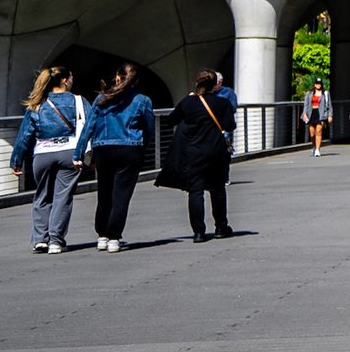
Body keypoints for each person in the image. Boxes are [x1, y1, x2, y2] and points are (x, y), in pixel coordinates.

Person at [12, 64, 91, 253]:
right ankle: (56, 240)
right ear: (64, 80)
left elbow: (24, 135)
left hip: (42, 153)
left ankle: (40, 239)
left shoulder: (38, 103)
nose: (72, 81)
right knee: (62, 197)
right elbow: (90, 126)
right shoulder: (79, 101)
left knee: (42, 195)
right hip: (69, 152)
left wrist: (16, 160)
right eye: (71, 78)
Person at [85, 63, 155, 252]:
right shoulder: (143, 100)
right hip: (130, 149)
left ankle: (102, 235)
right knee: (121, 196)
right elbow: (149, 128)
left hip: (104, 149)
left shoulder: (102, 98)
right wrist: (143, 147)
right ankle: (114, 237)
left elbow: (89, 127)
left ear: (117, 78)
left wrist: (79, 153)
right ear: (136, 81)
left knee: (104, 193)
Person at [160, 70, 234, 241]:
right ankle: (221, 227)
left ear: (196, 83)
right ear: (215, 84)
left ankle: (199, 232)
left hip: (192, 152)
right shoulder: (222, 103)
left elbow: (171, 120)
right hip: (215, 151)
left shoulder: (187, 103)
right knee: (217, 189)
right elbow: (230, 125)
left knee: (195, 191)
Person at [302, 78, 332, 155]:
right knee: (312, 133)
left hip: (321, 114)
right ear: (314, 85)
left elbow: (329, 105)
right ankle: (314, 146)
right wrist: (304, 114)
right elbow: (306, 105)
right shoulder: (309, 94)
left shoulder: (325, 93)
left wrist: (330, 115)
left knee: (319, 132)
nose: (318, 85)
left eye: (319, 83)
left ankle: (318, 150)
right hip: (311, 113)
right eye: (317, 83)